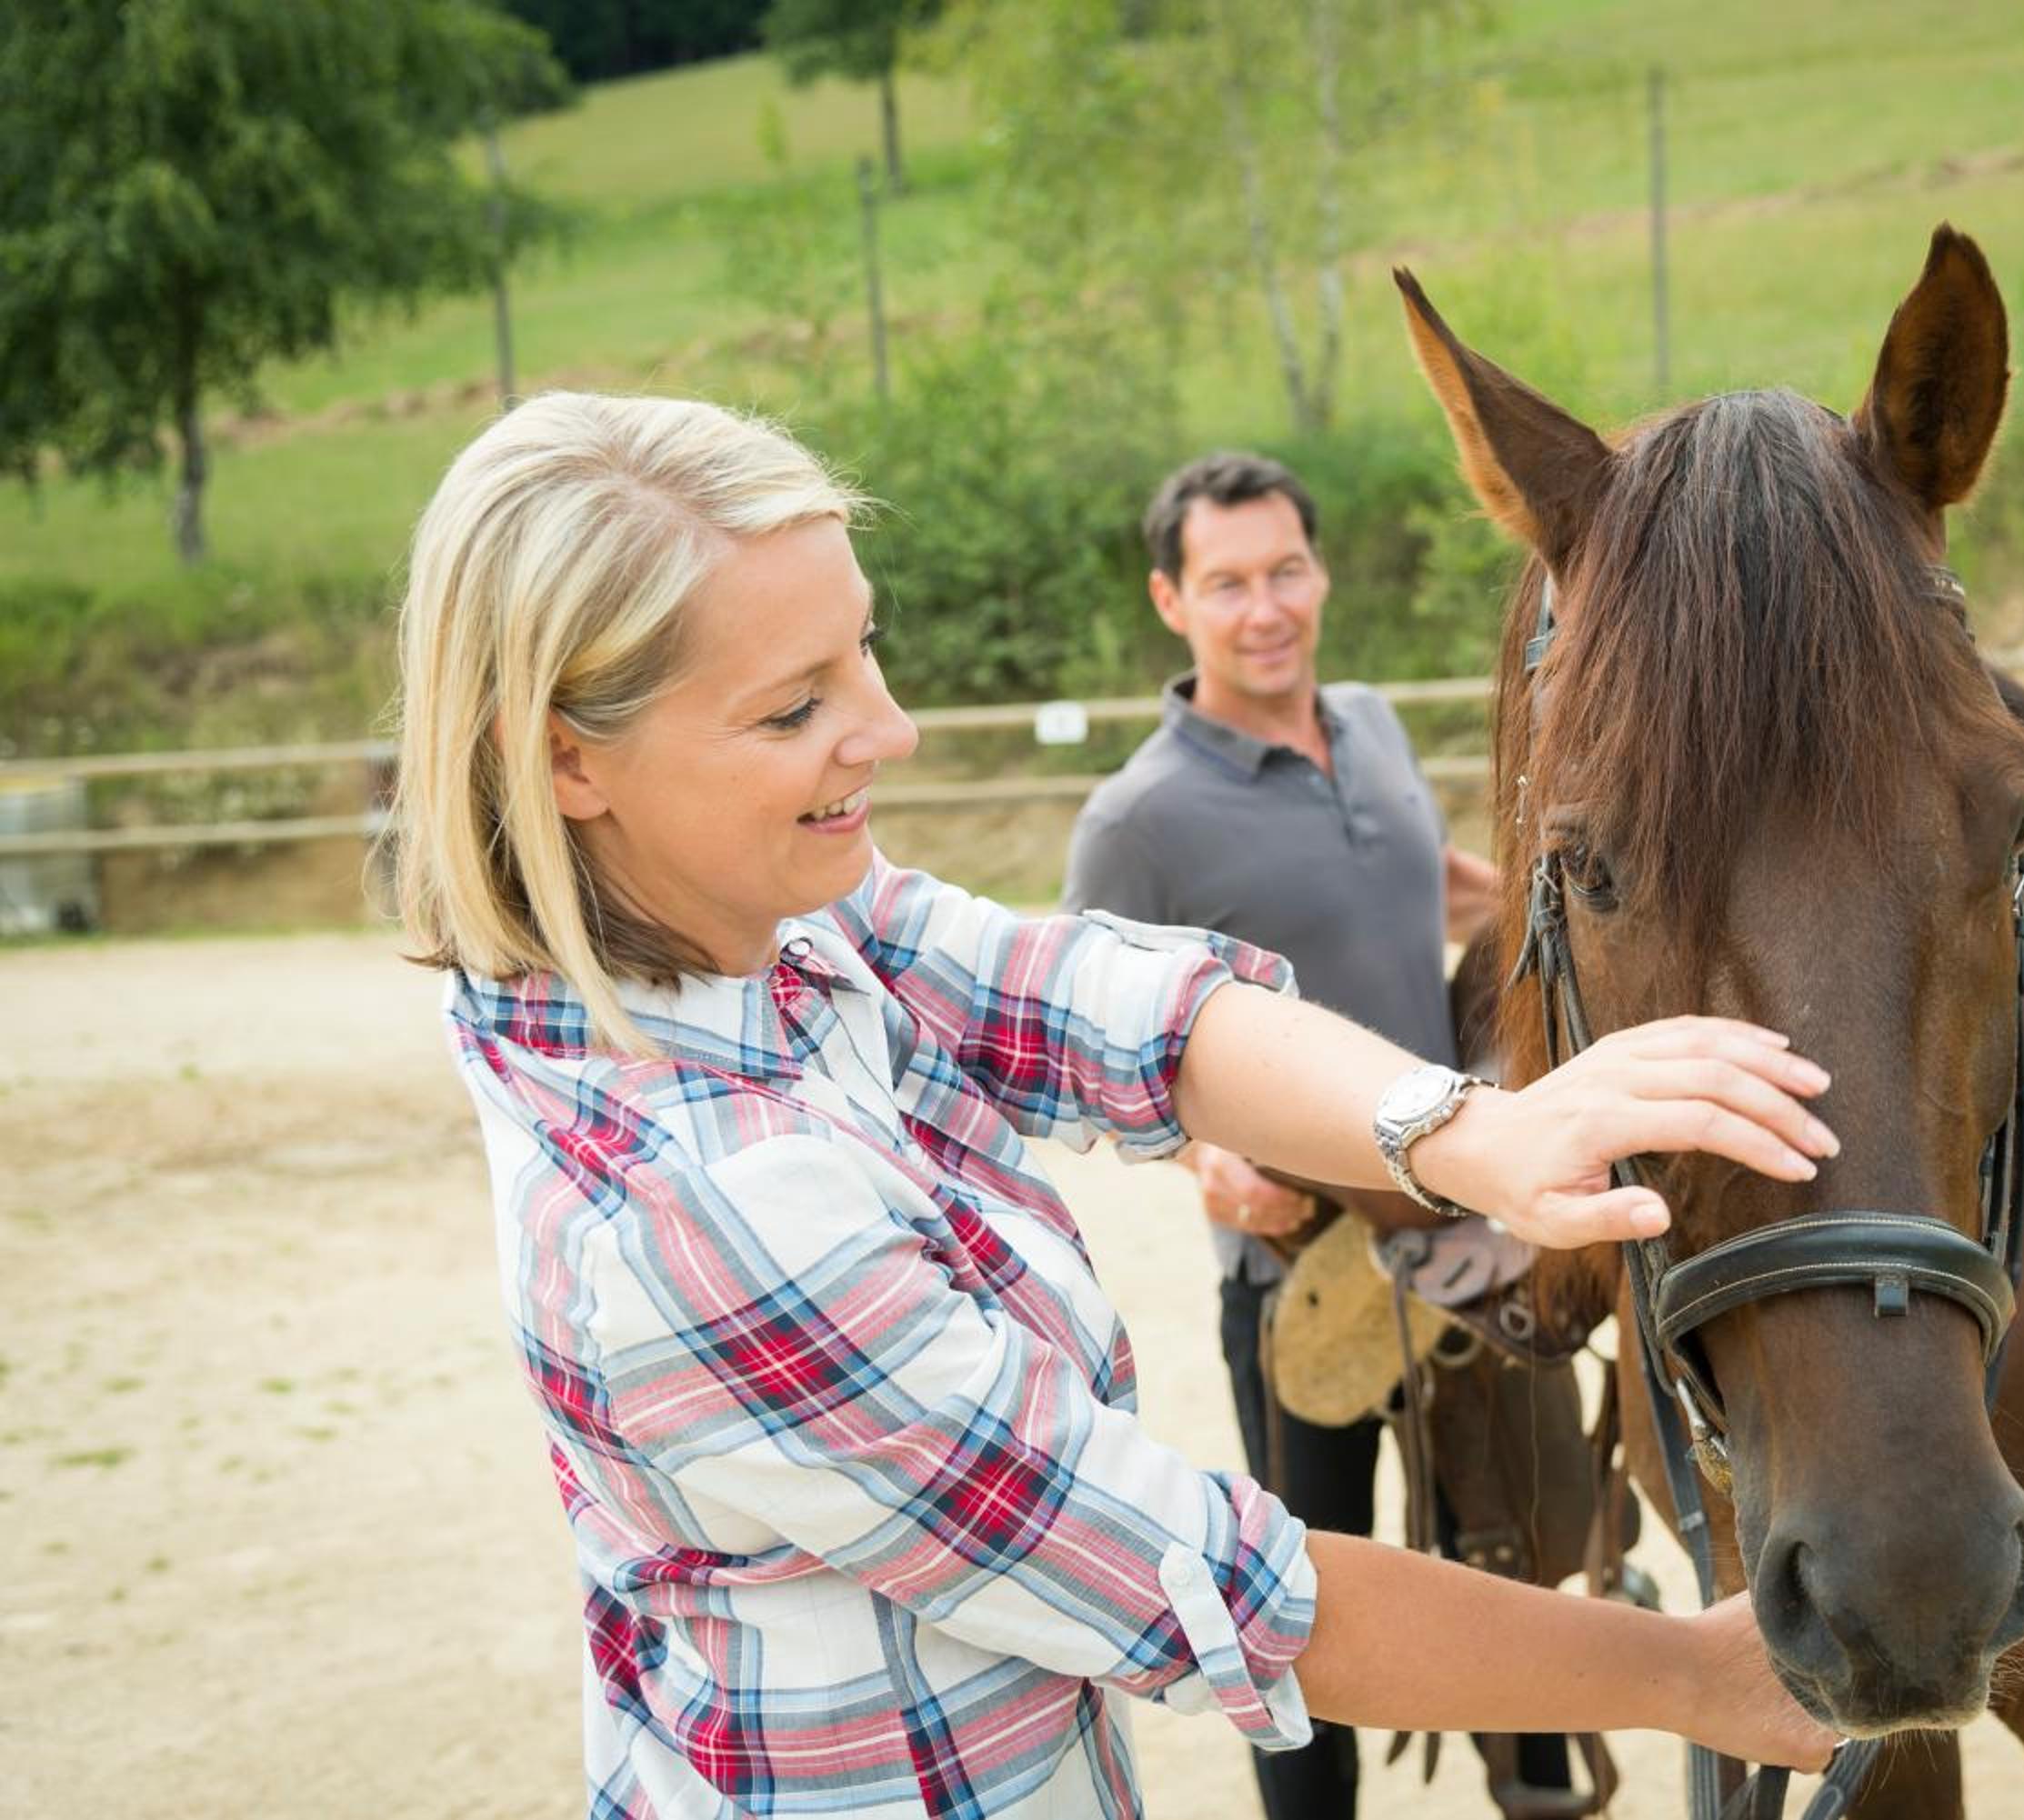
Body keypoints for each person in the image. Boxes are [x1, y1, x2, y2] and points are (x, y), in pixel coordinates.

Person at [389, 392, 1842, 1819]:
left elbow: (1084, 996)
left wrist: (1470, 1131)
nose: (891, 728)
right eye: (793, 707)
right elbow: (1203, 1580)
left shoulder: (757, 916)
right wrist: (1687, 1673)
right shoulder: (700, 1213)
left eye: (864, 650)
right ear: (566, 756)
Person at [1061, 451, 1535, 1817]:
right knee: (1298, 1624)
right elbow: (1077, 1048)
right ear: (1172, 601)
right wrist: (1198, 1156)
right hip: (1299, 1276)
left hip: (1469, 1249)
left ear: (1319, 574)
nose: (1264, 608)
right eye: (1227, 583)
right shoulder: (1137, 818)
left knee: (1519, 1574)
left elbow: (1407, 887)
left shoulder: (1373, 724)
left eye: (1285, 570)